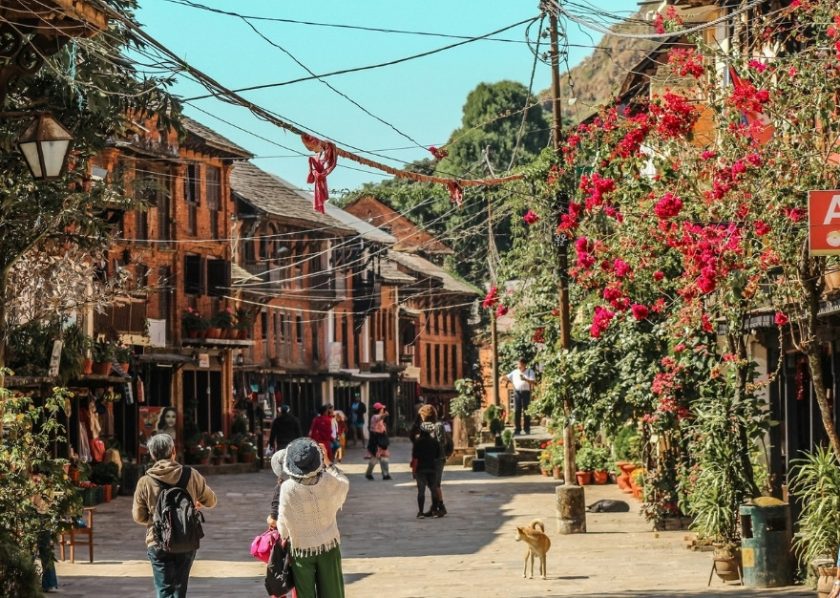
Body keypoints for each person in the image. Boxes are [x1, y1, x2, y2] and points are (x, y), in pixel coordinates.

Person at [132, 433, 217, 598]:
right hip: (186, 537)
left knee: (164, 590)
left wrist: (156, 516)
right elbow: (211, 500)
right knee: (179, 590)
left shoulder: (145, 481)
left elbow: (138, 516)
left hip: (157, 539)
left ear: (152, 454)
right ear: (173, 451)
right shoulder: (190, 474)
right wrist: (193, 503)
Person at [275, 438, 349, 598]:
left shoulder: (288, 488)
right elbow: (344, 484)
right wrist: (329, 463)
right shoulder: (328, 481)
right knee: (333, 593)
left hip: (301, 549)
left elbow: (283, 522)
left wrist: (285, 537)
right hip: (328, 546)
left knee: (305, 594)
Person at [416, 404, 452, 517]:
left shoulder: (438, 426)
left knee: (435, 484)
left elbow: (441, 443)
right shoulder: (426, 427)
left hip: (437, 459)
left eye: (421, 415)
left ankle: (441, 507)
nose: (420, 417)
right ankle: (434, 507)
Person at [412, 426, 442, 518]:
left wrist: (413, 470)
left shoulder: (417, 442)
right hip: (432, 468)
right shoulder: (435, 442)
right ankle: (435, 511)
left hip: (420, 469)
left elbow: (415, 458)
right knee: (434, 489)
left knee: (421, 491)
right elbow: (437, 456)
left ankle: (421, 512)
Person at [506, 358, 536, 435]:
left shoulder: (530, 371)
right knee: (517, 411)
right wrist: (502, 378)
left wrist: (525, 379)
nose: (518, 366)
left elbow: (533, 382)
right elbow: (507, 377)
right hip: (517, 392)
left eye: (520, 364)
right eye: (518, 364)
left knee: (526, 411)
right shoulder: (515, 372)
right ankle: (517, 429)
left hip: (526, 392)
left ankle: (527, 429)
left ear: (524, 364)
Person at [365, 402, 391, 480]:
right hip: (375, 440)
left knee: (384, 458)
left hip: (381, 439)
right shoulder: (374, 417)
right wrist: (385, 414)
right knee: (374, 458)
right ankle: (368, 473)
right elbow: (379, 418)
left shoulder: (379, 418)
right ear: (379, 409)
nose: (383, 409)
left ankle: (385, 474)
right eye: (382, 408)